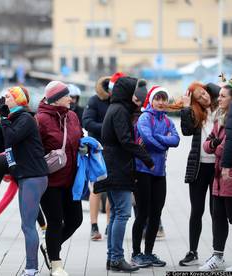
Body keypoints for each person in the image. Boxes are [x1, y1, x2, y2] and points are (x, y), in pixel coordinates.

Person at [93, 76, 154, 272]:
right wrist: (147, 158)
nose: (136, 95)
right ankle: (117, 258)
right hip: (116, 167)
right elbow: (126, 141)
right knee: (122, 213)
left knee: (116, 214)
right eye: (133, 90)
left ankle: (112, 258)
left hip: (112, 166)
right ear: (127, 92)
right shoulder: (119, 111)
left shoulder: (116, 108)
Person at [0, 86, 48, 276]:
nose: (3, 99)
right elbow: (0, 144)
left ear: (17, 100)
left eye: (7, 96)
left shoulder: (25, 118)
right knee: (27, 224)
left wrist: (4, 118)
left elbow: (12, 138)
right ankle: (34, 264)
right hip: (25, 176)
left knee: (27, 224)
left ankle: (32, 268)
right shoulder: (12, 119)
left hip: (34, 176)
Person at [35, 81, 83, 276]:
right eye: (66, 96)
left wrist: (84, 144)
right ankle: (56, 264)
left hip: (71, 179)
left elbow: (78, 137)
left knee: (75, 220)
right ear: (55, 100)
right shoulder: (40, 119)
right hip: (50, 181)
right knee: (55, 221)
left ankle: (49, 246)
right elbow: (34, 149)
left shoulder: (72, 116)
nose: (71, 99)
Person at [131, 86, 180, 268]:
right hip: (143, 170)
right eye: (157, 99)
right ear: (151, 100)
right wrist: (163, 142)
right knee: (142, 213)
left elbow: (176, 140)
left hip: (160, 172)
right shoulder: (145, 117)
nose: (161, 102)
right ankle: (136, 253)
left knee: (156, 213)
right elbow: (147, 138)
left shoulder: (167, 121)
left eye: (164, 99)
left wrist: (159, 138)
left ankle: (149, 253)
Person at [177, 82, 220, 266]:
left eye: (204, 93)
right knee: (197, 210)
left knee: (216, 211)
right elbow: (186, 131)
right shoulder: (195, 113)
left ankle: (216, 253)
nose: (204, 98)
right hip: (199, 167)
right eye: (199, 97)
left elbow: (219, 89)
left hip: (217, 168)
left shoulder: (220, 111)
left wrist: (210, 88)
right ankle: (193, 251)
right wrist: (186, 108)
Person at [199, 83, 232, 271]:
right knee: (218, 216)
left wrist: (216, 146)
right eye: (219, 95)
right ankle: (217, 256)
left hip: (229, 176)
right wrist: (215, 145)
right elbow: (207, 144)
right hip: (218, 177)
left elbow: (225, 147)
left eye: (223, 96)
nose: (218, 99)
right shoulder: (219, 119)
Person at [82, 75, 117, 241]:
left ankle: (110, 224)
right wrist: (107, 128)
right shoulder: (95, 100)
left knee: (112, 189)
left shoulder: (118, 102)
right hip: (97, 150)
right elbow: (87, 122)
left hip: (115, 150)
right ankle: (94, 226)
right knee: (96, 188)